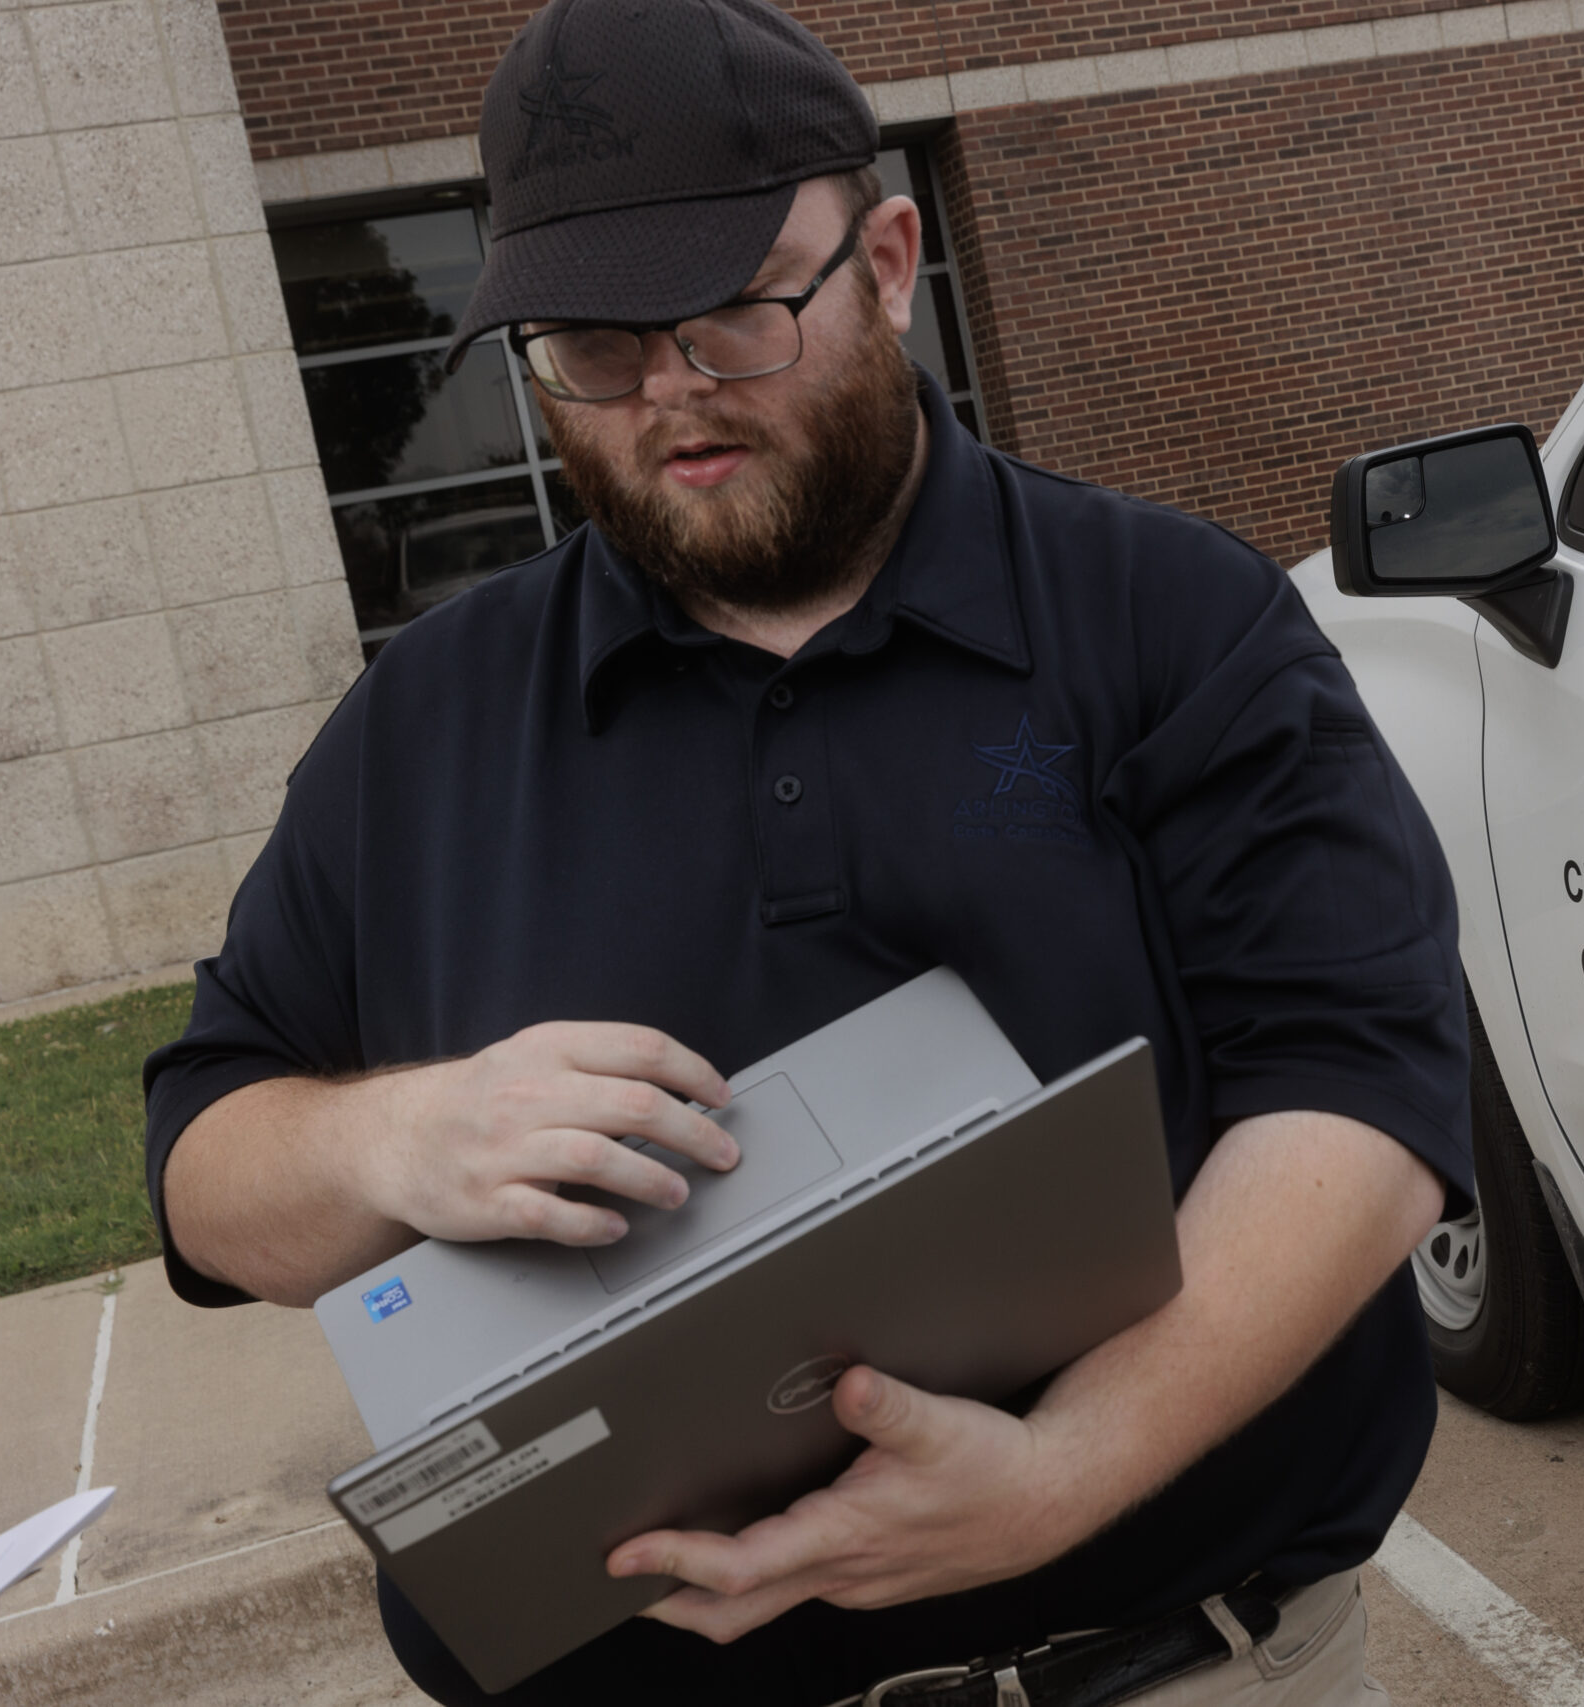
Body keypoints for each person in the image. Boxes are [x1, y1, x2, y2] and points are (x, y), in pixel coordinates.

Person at [142, 0, 1472, 1702]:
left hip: (1173, 1667)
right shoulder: (425, 732)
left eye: (731, 318)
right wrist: (393, 1136)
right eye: (591, 349)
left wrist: (1067, 1470)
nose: (669, 401)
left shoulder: (1172, 622)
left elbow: (1356, 1091)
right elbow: (205, 1157)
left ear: (891, 256)